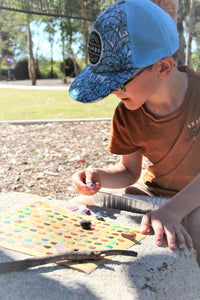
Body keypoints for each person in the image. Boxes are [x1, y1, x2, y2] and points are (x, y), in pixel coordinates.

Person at [69, 0, 200, 255]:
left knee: (196, 223)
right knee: (81, 204)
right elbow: (129, 171)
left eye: (120, 82)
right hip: (153, 195)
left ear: (163, 67)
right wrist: (99, 176)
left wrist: (173, 210)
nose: (113, 92)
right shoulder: (127, 113)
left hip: (194, 199)